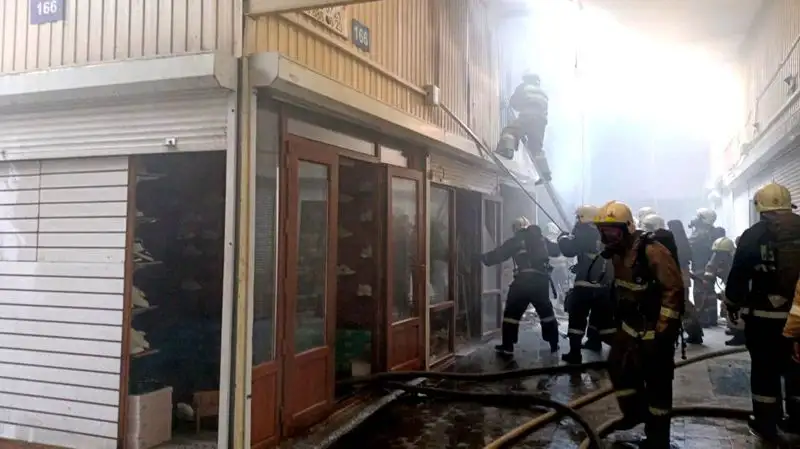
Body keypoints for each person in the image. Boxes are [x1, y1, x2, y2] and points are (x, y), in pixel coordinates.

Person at [594, 201, 684, 449]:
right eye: (603, 232)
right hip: (629, 327)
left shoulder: (652, 251)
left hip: (654, 330)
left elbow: (673, 290)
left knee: (657, 386)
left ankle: (658, 439)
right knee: (617, 366)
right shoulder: (618, 253)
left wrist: (663, 330)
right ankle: (634, 413)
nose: (607, 238)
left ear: (627, 228)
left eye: (612, 232)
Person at [725, 182, 800, 442]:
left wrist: (732, 304)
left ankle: (767, 424)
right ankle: (797, 421)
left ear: (760, 208)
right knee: (796, 369)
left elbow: (738, 274)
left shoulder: (752, 235)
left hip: (762, 320)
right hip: (798, 319)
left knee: (764, 370)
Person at [481, 216, 560, 356]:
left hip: (522, 282)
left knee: (511, 314)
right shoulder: (541, 239)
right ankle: (554, 344)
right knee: (546, 313)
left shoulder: (515, 241)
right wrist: (564, 238)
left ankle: (508, 346)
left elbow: (498, 255)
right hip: (540, 282)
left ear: (515, 229)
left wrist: (482, 258)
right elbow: (556, 251)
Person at [558, 205, 615, 364]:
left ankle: (575, 354)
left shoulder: (584, 231)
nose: (577, 220)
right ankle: (615, 351)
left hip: (585, 284)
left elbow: (569, 250)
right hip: (604, 285)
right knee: (603, 319)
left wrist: (562, 238)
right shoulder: (606, 232)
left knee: (577, 318)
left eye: (578, 217)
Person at [495, 74, 551, 181]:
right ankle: (545, 173)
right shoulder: (543, 93)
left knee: (510, 132)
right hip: (541, 123)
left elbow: (514, 102)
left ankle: (507, 151)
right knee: (536, 149)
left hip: (527, 117)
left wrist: (508, 104)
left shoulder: (524, 87)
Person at [667, 219, 701, 344]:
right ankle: (695, 332)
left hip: (677, 277)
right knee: (686, 304)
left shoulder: (673, 243)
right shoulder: (684, 242)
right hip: (684, 277)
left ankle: (694, 333)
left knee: (683, 306)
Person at [689, 208, 719, 327]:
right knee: (710, 292)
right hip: (710, 267)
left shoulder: (699, 234)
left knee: (699, 292)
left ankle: (703, 319)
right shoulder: (713, 232)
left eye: (698, 217)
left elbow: (688, 246)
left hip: (700, 267)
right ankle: (712, 318)